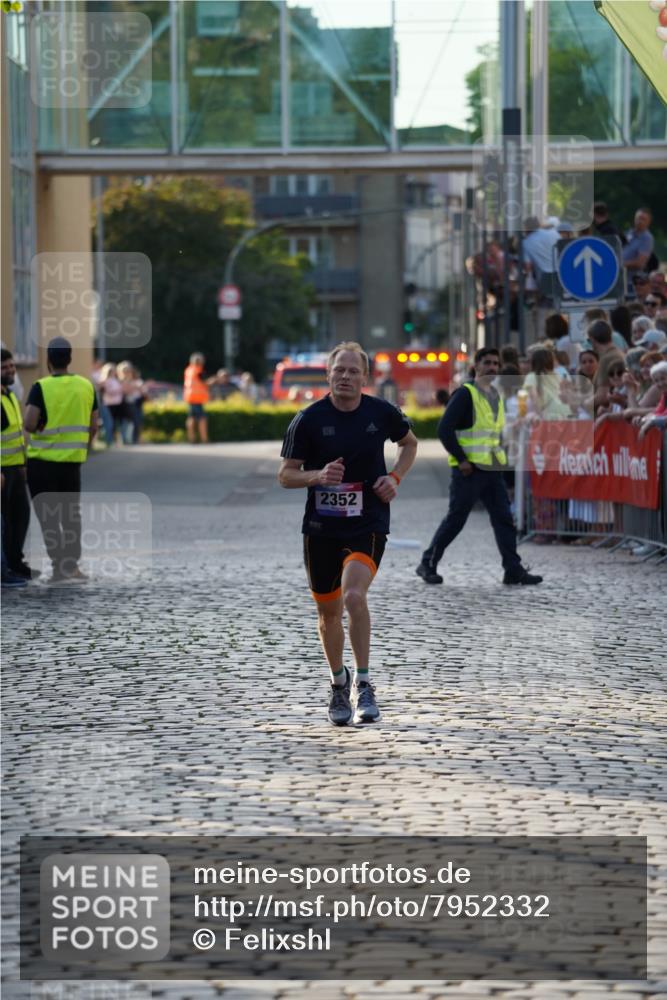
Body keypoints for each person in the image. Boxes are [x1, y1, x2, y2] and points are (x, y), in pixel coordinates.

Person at [278, 341, 418, 727]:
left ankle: (364, 684)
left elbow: (409, 444)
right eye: (339, 370)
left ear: (365, 377)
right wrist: (318, 476)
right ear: (328, 374)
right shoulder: (307, 419)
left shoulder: (381, 412)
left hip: (367, 521)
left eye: (353, 371)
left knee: (354, 595)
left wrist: (395, 477)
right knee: (328, 613)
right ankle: (338, 683)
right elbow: (285, 475)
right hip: (321, 528)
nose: (345, 376)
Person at [416, 346, 542, 587]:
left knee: (504, 519)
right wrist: (462, 459)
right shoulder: (466, 394)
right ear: (477, 366)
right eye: (487, 363)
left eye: (496, 363)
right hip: (469, 471)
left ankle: (513, 569)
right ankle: (427, 563)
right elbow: (444, 429)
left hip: (492, 470)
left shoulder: (495, 395)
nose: (492, 367)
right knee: (456, 520)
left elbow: (493, 433)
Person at [23, 337, 98, 583]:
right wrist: (81, 447)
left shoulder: (41, 387)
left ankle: (58, 568)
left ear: (48, 360)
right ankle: (71, 566)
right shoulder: (86, 386)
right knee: (70, 516)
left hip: (41, 464)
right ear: (70, 357)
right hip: (71, 465)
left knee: (49, 519)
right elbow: (93, 425)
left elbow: (29, 423)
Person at [1, 349, 35, 582]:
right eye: (4, 367)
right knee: (4, 521)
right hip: (2, 472)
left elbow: (16, 435)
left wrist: (23, 463)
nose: (11, 370)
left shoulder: (10, 395)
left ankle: (15, 562)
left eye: (11, 365)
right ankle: (5, 569)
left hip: (14, 468)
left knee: (20, 516)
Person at [183, 353, 218, 444]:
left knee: (191, 418)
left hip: (190, 397)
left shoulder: (189, 370)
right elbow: (205, 382)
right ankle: (204, 439)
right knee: (202, 419)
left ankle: (191, 438)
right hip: (197, 398)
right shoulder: (198, 370)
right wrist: (214, 380)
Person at [622, 208, 655, 274]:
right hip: (619, 275)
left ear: (649, 222)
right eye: (638, 218)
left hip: (631, 278)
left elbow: (640, 263)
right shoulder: (628, 233)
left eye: (643, 219)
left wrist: (619, 264)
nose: (640, 221)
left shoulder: (647, 238)